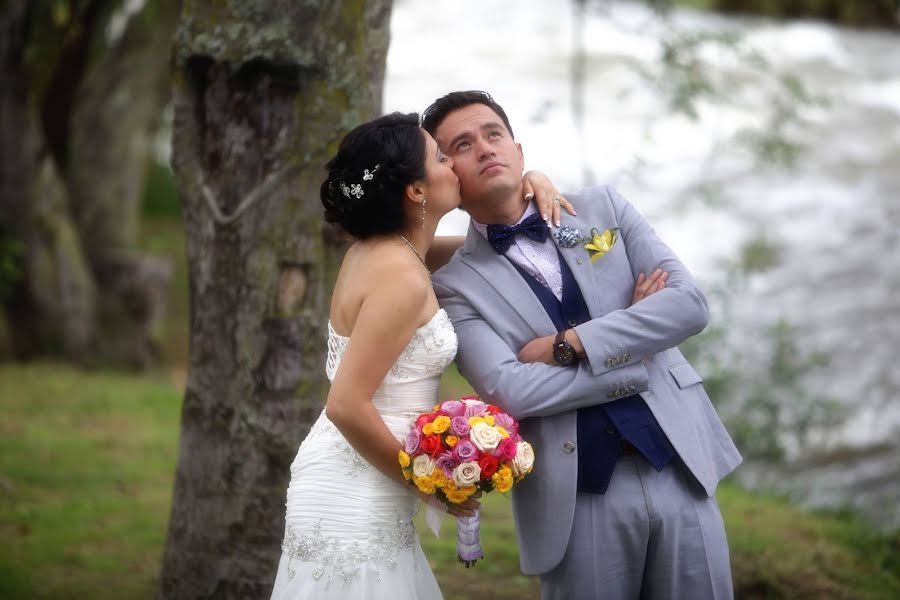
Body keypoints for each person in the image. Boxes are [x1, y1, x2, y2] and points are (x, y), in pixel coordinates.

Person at [424, 91, 743, 600]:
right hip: (576, 496)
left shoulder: (603, 209)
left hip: (678, 462)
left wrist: (570, 344)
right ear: (447, 176)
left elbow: (688, 305)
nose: (485, 149)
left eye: (493, 134)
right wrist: (636, 347)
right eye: (462, 145)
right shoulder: (455, 283)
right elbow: (511, 390)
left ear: (519, 151)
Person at [268, 112, 573, 599]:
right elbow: (345, 404)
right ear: (415, 191)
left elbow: (491, 249)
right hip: (357, 489)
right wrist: (427, 481)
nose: (453, 163)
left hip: (354, 473)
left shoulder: (391, 251)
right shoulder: (402, 276)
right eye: (440, 156)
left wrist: (529, 185)